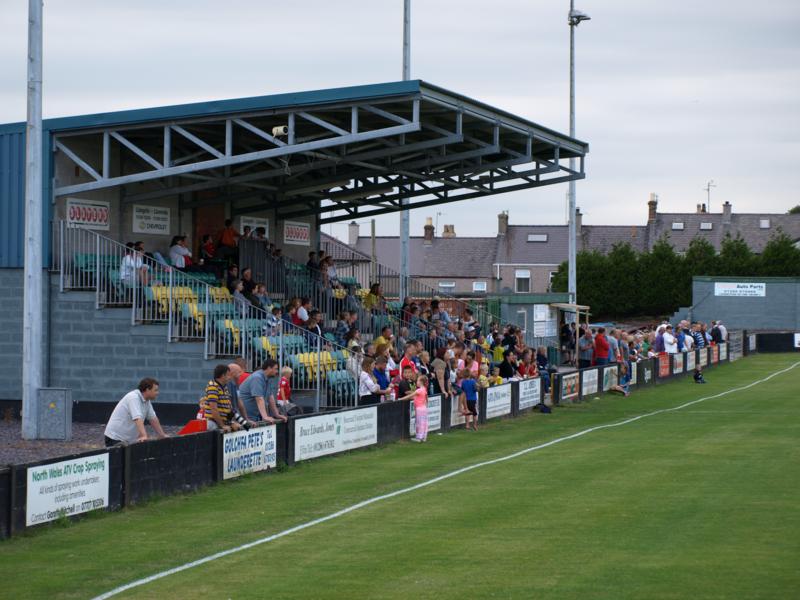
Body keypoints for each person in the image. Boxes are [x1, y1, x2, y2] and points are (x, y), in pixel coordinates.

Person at [103, 378, 168, 446]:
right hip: (115, 438)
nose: (157, 393)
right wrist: (144, 435)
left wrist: (162, 435)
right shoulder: (133, 397)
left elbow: (153, 419)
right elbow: (137, 418)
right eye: (155, 390)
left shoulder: (146, 401)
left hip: (127, 440)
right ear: (147, 390)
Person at [238, 359, 285, 424]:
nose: (277, 371)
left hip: (254, 417)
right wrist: (265, 417)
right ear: (269, 368)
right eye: (276, 369)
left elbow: (270, 398)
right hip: (246, 418)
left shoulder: (268, 378)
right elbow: (259, 399)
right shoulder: (257, 378)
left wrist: (276, 414)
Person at [201, 364, 241, 432]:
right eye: (228, 375)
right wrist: (222, 425)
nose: (230, 377)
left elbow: (228, 408)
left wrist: (231, 423)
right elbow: (214, 409)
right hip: (213, 422)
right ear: (223, 376)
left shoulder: (224, 387)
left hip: (222, 421)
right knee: (213, 428)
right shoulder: (213, 387)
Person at [400, 374, 430, 442]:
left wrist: (400, 399)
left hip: (419, 409)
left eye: (418, 381)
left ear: (421, 382)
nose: (416, 382)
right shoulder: (424, 389)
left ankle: (419, 437)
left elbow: (409, 396)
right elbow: (425, 399)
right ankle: (423, 437)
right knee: (424, 422)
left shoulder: (418, 390)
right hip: (424, 408)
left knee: (419, 423)